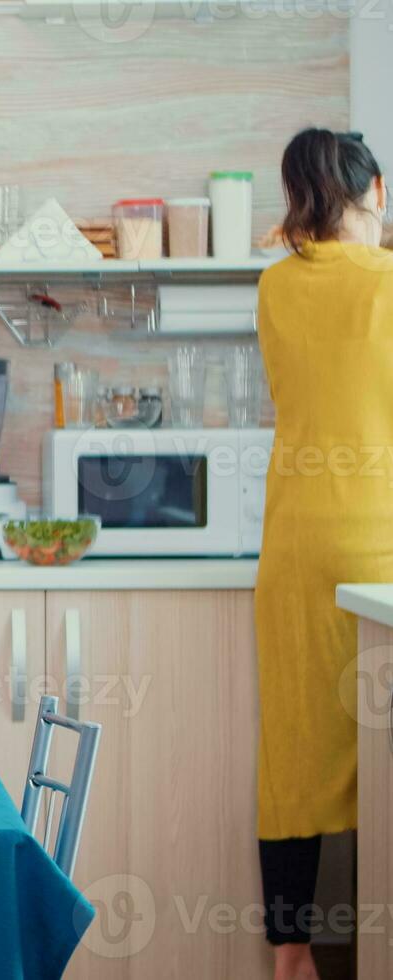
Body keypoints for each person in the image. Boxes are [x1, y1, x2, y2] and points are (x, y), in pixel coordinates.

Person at [255, 128, 393, 980]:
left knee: (297, 742)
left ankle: (292, 950)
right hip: (380, 537)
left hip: (300, 536)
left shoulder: (275, 287)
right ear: (376, 189)